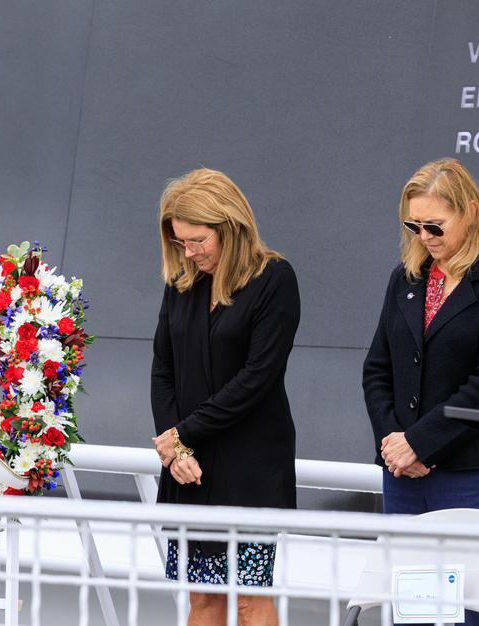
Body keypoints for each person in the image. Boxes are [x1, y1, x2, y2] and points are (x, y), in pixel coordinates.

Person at [362, 157, 479, 624]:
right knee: (413, 615)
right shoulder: (406, 278)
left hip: (473, 476)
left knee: (471, 617)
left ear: (471, 212)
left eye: (435, 227)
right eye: (414, 226)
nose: (424, 238)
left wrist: (420, 442)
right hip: (404, 479)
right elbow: (377, 369)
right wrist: (394, 443)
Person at [151, 168, 300, 626]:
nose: (190, 252)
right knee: (203, 600)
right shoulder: (182, 282)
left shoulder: (274, 279)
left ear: (230, 227)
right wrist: (174, 447)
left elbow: (257, 378)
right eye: (181, 243)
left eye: (198, 240)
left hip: (250, 468)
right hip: (189, 466)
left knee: (251, 600)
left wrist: (182, 435)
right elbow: (163, 369)